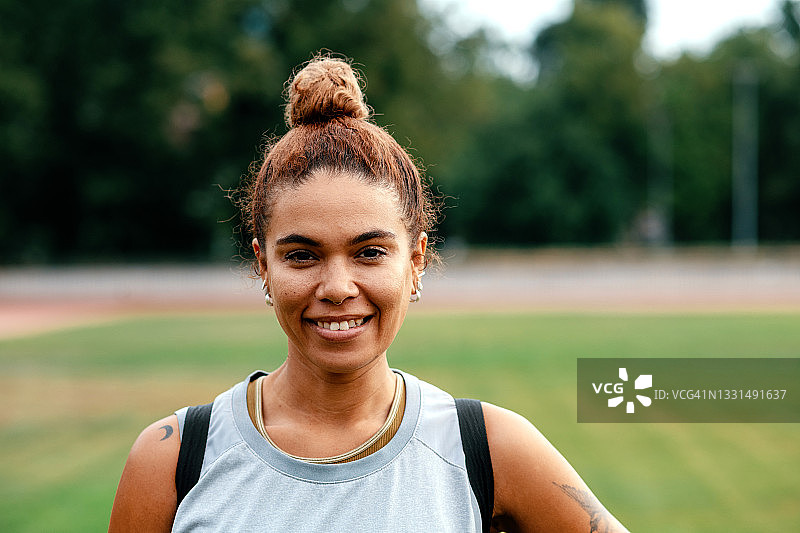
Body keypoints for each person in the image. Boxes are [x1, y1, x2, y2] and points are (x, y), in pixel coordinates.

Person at [109, 55, 629, 533]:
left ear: (416, 260)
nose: (337, 288)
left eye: (370, 252)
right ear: (262, 265)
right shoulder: (174, 460)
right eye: (302, 255)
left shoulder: (490, 451)